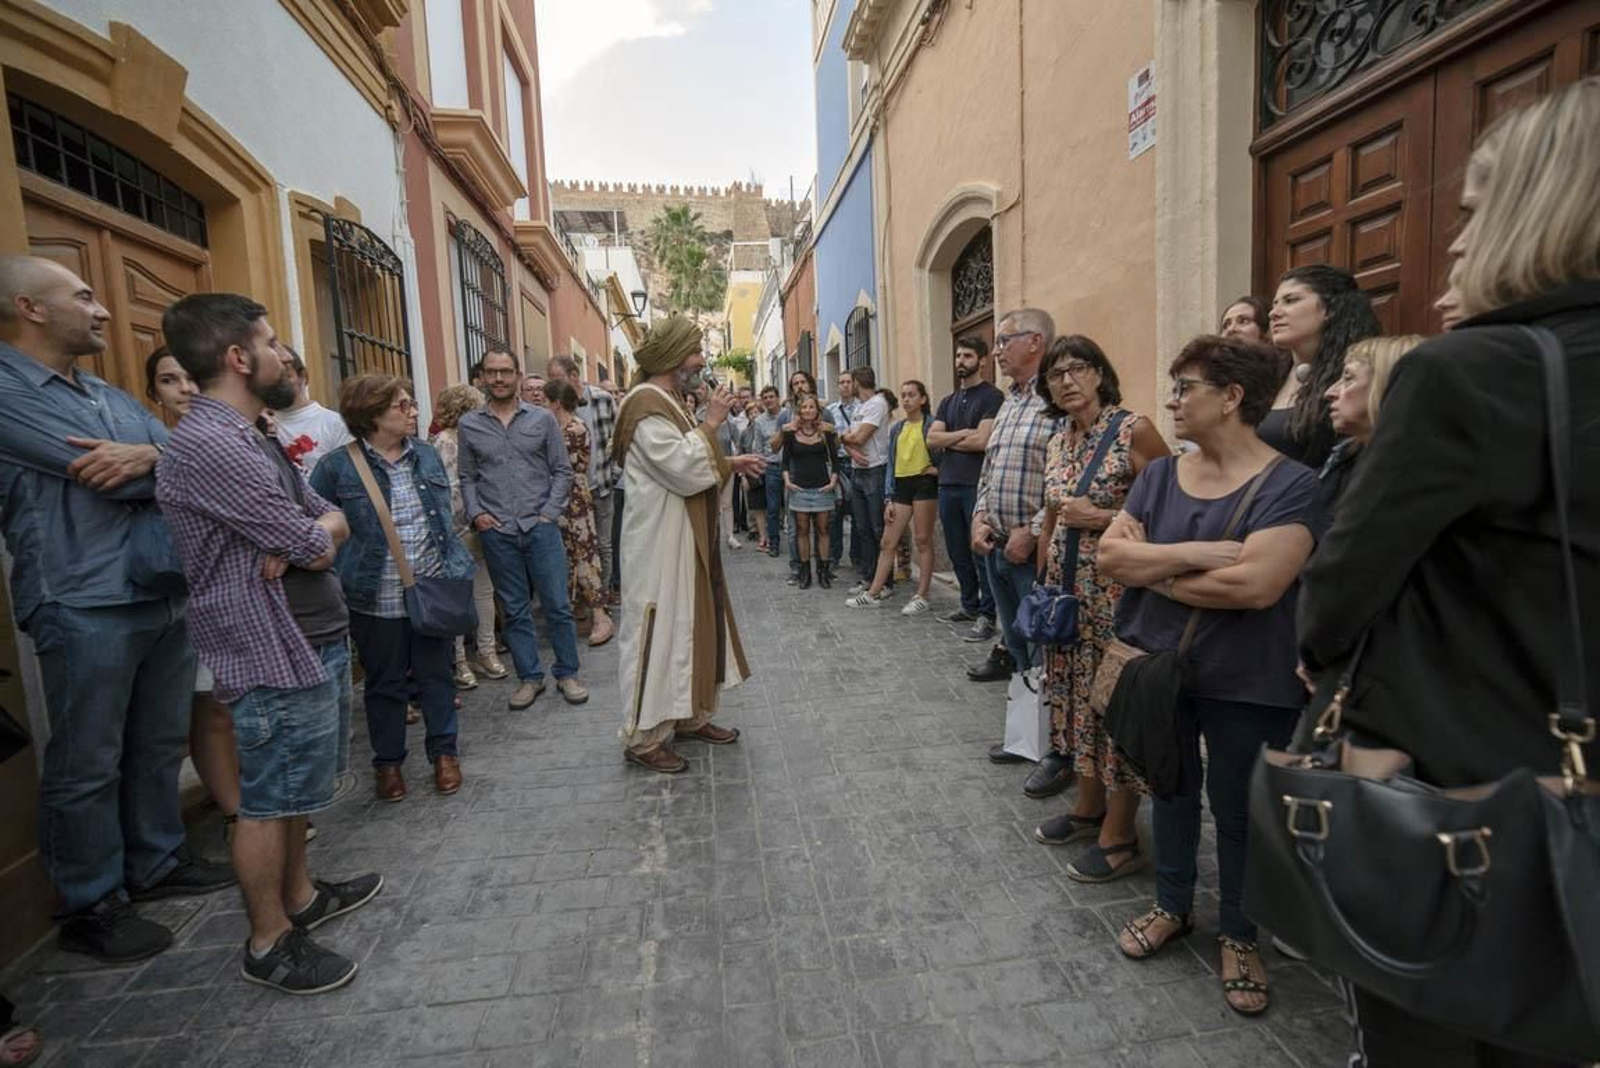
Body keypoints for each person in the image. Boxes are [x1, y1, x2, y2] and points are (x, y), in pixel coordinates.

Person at [1299, 77, 1600, 1068]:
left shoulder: (1470, 369)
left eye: (1472, 212)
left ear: (1534, 208)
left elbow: (1340, 585)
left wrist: (1336, 677)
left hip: (1469, 802)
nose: (1457, 241)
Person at [0, 256, 234, 964]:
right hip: (82, 596)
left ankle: (157, 863)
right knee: (87, 759)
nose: (102, 310)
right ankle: (91, 901)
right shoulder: (9, 390)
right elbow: (99, 471)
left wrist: (150, 457)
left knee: (157, 742)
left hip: (157, 588)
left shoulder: (106, 392)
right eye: (83, 297)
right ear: (30, 308)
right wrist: (159, 463)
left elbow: (193, 458)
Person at [159, 292, 380, 995]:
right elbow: (304, 540)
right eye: (273, 341)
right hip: (268, 645)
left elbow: (327, 519)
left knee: (293, 792)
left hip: (304, 636)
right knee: (267, 798)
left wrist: (318, 535)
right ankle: (268, 939)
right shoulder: (213, 443)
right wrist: (313, 537)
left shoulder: (252, 432)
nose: (284, 353)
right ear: (237, 357)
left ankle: (302, 896)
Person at [1097, 334, 1319, 1017]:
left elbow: (1254, 586)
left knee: (1240, 810)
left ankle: (1241, 934)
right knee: (1170, 790)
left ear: (1232, 397)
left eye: (1186, 385)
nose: (1173, 399)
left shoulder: (1294, 484)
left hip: (1250, 676)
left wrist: (1154, 566)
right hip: (1161, 669)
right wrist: (1192, 554)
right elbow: (1110, 557)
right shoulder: (1162, 476)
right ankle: (1170, 905)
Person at [1027, 337, 1170, 876]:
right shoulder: (1058, 440)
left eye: (1077, 369)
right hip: (1068, 604)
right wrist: (1043, 577)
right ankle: (1089, 809)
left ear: (1100, 373)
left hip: (1119, 602)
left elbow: (1173, 509)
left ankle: (1121, 835)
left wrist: (1104, 518)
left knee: (1115, 709)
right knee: (1079, 705)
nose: (1066, 381)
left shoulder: (1133, 429)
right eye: (1055, 375)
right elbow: (1052, 514)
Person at [310, 375, 475, 801]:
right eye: (402, 406)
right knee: (384, 684)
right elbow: (317, 526)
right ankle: (388, 763)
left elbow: (442, 518)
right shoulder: (335, 467)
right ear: (372, 415)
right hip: (373, 595)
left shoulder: (425, 455)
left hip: (432, 588)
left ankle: (444, 755)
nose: (413, 412)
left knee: (437, 676)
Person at [612, 316, 766, 773]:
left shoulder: (667, 400)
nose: (702, 362)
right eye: (696, 353)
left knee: (690, 623)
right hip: (659, 542)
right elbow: (680, 466)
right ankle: (643, 738)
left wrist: (731, 460)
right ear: (674, 358)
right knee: (656, 631)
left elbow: (687, 457)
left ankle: (687, 714)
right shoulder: (644, 405)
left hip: (684, 536)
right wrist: (714, 423)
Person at [457, 350, 587, 710]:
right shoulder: (470, 425)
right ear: (482, 377)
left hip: (540, 527)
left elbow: (562, 470)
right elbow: (467, 476)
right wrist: (477, 513)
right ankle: (530, 678)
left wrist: (549, 512)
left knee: (558, 605)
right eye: (491, 372)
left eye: (505, 372)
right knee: (514, 609)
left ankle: (567, 672)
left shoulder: (542, 420)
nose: (498, 379)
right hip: (497, 531)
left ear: (516, 376)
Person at [969, 309, 1059, 700]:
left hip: (1031, 552)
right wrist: (978, 517)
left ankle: (1051, 741)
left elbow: (1066, 479)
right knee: (1018, 647)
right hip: (996, 546)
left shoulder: (1057, 400)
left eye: (1004, 341)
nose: (996, 351)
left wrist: (1034, 530)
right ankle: (1027, 736)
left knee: (1044, 650)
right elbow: (989, 467)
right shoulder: (1010, 401)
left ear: (1035, 341)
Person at [1263, 265, 1380, 468]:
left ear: (1329, 309)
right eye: (1274, 304)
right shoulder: (1269, 375)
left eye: (1290, 301)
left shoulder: (1356, 376)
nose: (1274, 313)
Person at [428, 384, 505, 688]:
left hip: (480, 525)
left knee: (483, 593)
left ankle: (485, 651)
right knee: (459, 596)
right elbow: (450, 489)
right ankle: (459, 660)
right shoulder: (445, 442)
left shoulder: (472, 438)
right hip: (458, 528)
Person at [928, 338, 1004, 641]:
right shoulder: (947, 401)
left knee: (980, 552)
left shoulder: (992, 397)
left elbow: (983, 441)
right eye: (958, 355)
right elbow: (932, 440)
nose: (961, 360)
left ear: (982, 360)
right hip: (947, 484)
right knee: (957, 550)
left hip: (975, 484)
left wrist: (949, 437)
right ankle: (969, 605)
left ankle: (988, 615)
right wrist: (963, 434)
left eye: (968, 355)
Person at [848, 380, 939, 613]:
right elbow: (891, 463)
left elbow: (945, 453)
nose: (907, 399)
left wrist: (939, 470)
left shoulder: (932, 424)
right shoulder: (897, 428)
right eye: (903, 395)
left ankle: (922, 595)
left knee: (922, 539)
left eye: (911, 395)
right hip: (900, 486)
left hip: (924, 485)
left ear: (923, 399)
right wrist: (888, 497)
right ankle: (873, 592)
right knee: (888, 541)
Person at [540, 379, 615, 646]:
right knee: (569, 557)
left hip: (573, 500)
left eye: (544, 401)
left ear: (556, 403)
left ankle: (600, 615)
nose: (541, 406)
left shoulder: (573, 429)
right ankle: (580, 613)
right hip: (562, 499)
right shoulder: (559, 427)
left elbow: (559, 466)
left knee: (584, 554)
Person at [1318, 335, 1423, 517]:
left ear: (1388, 386)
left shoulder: (1420, 477)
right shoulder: (1343, 460)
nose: (1329, 393)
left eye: (1348, 378)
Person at [546, 354, 619, 593]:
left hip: (601, 484)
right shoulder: (553, 410)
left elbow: (619, 437)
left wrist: (614, 473)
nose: (552, 384)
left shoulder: (603, 399)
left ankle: (603, 597)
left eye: (556, 378)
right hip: (571, 494)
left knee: (603, 546)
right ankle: (586, 603)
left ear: (573, 376)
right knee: (577, 548)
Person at [780, 393, 840, 589]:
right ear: (799, 411)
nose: (807, 410)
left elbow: (835, 459)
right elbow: (785, 461)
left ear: (817, 411)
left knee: (823, 530)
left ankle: (823, 571)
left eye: (811, 407)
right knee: (802, 530)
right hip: (799, 489)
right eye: (804, 407)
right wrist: (787, 481)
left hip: (822, 487)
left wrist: (833, 481)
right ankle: (805, 572)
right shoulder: (790, 433)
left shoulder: (826, 433)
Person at [840, 366, 892, 591]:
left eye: (848, 382)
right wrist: (847, 444)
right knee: (861, 528)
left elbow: (859, 437)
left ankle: (885, 582)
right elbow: (848, 441)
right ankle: (869, 577)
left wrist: (844, 438)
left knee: (877, 528)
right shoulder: (859, 408)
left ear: (856, 383)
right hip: (858, 469)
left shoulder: (878, 404)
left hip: (875, 471)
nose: (845, 387)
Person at [270, 344, 351, 474]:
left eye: (286, 376)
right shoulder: (260, 425)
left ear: (303, 376)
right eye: (271, 378)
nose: (278, 385)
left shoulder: (334, 424)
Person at [824, 371, 859, 575]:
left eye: (848, 382)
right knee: (835, 511)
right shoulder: (830, 411)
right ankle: (834, 555)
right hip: (838, 463)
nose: (845, 386)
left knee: (857, 512)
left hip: (857, 463)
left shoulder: (863, 409)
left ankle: (856, 556)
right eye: (841, 382)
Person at [718, 390, 755, 548]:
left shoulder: (730, 425)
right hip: (709, 467)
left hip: (727, 466)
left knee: (727, 504)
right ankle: (711, 535)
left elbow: (737, 445)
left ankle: (731, 536)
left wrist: (739, 465)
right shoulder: (704, 422)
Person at [750, 386, 785, 554]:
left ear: (778, 398)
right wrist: (760, 468)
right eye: (765, 398)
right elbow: (758, 448)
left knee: (794, 507)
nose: (768, 400)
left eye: (771, 396)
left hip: (789, 466)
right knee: (772, 508)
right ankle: (774, 544)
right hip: (771, 468)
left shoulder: (787, 415)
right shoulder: (759, 421)